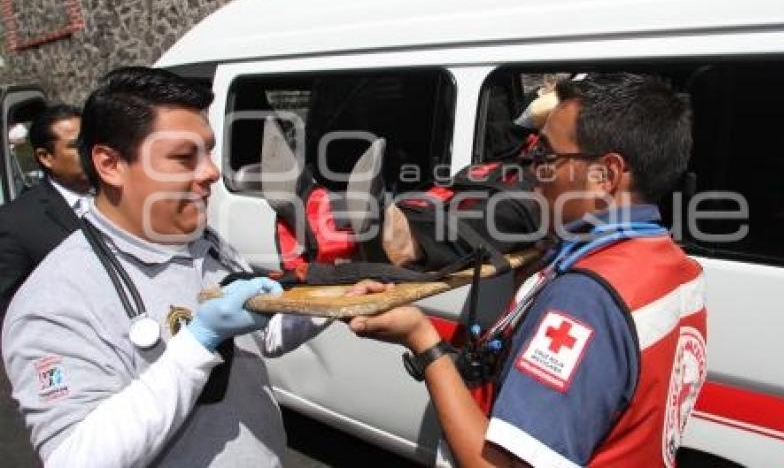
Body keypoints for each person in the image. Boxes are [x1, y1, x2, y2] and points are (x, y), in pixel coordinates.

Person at [348, 73, 707, 467]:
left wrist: (422, 340)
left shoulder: (584, 299)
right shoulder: (674, 265)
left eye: (547, 157)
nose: (533, 171)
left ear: (605, 175)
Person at [2, 67, 328, 467]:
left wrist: (336, 300)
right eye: (183, 157)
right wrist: (199, 341)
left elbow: (264, 335)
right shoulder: (52, 302)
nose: (211, 171)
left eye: (207, 151)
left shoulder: (202, 243)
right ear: (110, 164)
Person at [0, 104, 90, 310]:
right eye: (76, 145)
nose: (89, 151)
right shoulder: (15, 222)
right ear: (46, 157)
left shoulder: (121, 198)